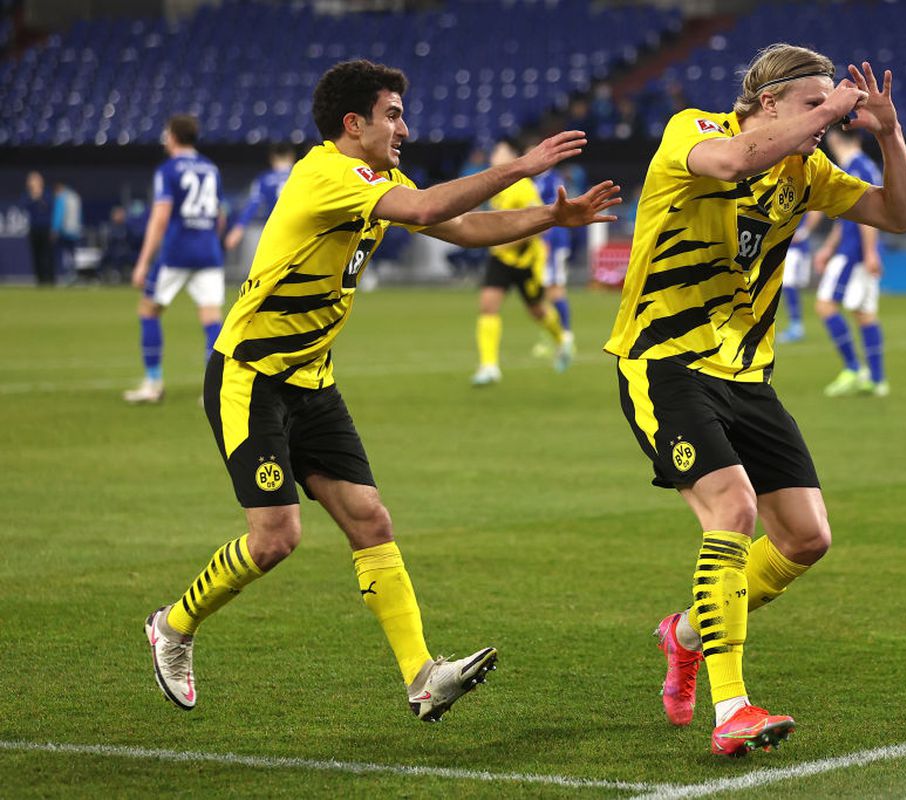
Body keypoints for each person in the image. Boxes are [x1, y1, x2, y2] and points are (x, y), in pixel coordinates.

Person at [143, 59, 619, 720]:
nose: (405, 127)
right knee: (276, 539)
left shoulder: (375, 179)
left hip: (312, 381)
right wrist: (520, 166)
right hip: (250, 378)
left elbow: (460, 227)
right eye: (393, 114)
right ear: (354, 122)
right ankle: (172, 627)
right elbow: (427, 207)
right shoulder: (326, 175)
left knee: (370, 518)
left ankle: (422, 675)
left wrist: (550, 218)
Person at [605, 44, 906, 756]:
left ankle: (685, 635)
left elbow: (902, 216)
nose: (826, 121)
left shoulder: (803, 169)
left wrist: (890, 134)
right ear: (768, 102)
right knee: (733, 510)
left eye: (828, 106)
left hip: (747, 375)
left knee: (807, 538)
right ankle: (732, 709)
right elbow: (732, 165)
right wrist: (841, 102)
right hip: (666, 363)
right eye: (812, 106)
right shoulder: (697, 130)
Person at [124, 114, 226, 404]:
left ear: (172, 137)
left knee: (148, 310)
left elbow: (160, 218)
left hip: (177, 251)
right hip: (208, 252)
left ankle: (153, 384)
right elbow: (220, 217)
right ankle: (213, 391)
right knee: (211, 318)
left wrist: (143, 262)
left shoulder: (168, 170)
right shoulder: (211, 168)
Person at [472, 138, 577, 385]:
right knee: (488, 305)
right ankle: (489, 366)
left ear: (511, 157)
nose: (494, 155)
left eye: (500, 151)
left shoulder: (524, 188)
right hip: (500, 259)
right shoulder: (493, 185)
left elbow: (537, 225)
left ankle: (561, 339)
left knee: (538, 310)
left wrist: (507, 242)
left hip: (525, 260)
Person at [813, 126, 888, 396]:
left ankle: (854, 369)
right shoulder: (865, 166)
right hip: (849, 248)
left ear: (832, 139)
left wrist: (869, 252)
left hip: (852, 252)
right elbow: (850, 215)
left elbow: (869, 214)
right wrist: (827, 248)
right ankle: (877, 380)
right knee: (864, 313)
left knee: (825, 306)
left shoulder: (855, 167)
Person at [529, 140, 575, 359]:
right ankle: (552, 336)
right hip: (545, 239)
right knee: (546, 289)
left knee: (554, 287)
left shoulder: (548, 180)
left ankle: (565, 337)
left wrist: (545, 237)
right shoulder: (539, 180)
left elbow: (553, 211)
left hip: (553, 238)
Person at [224, 142, 296, 254]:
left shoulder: (265, 179)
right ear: (291, 157)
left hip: (276, 231)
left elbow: (253, 204)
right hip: (299, 229)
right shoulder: (300, 175)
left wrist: (238, 229)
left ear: (272, 158)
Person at [778, 212, 821, 343]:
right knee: (786, 285)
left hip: (795, 248)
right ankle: (795, 324)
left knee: (788, 283)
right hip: (787, 246)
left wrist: (804, 231)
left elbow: (816, 212)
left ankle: (796, 325)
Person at [22, 171, 54, 286]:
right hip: (34, 229)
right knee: (36, 256)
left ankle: (50, 280)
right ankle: (40, 280)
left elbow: (49, 206)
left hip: (46, 228)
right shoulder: (27, 195)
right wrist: (33, 196)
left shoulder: (47, 193)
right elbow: (24, 206)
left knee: (47, 256)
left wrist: (39, 196)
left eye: (35, 180)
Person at [51, 181, 83, 283]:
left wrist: (55, 229)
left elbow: (59, 215)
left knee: (64, 254)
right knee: (72, 254)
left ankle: (66, 275)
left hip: (64, 232)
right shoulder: (75, 197)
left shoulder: (61, 198)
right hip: (75, 231)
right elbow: (80, 216)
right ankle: (73, 274)